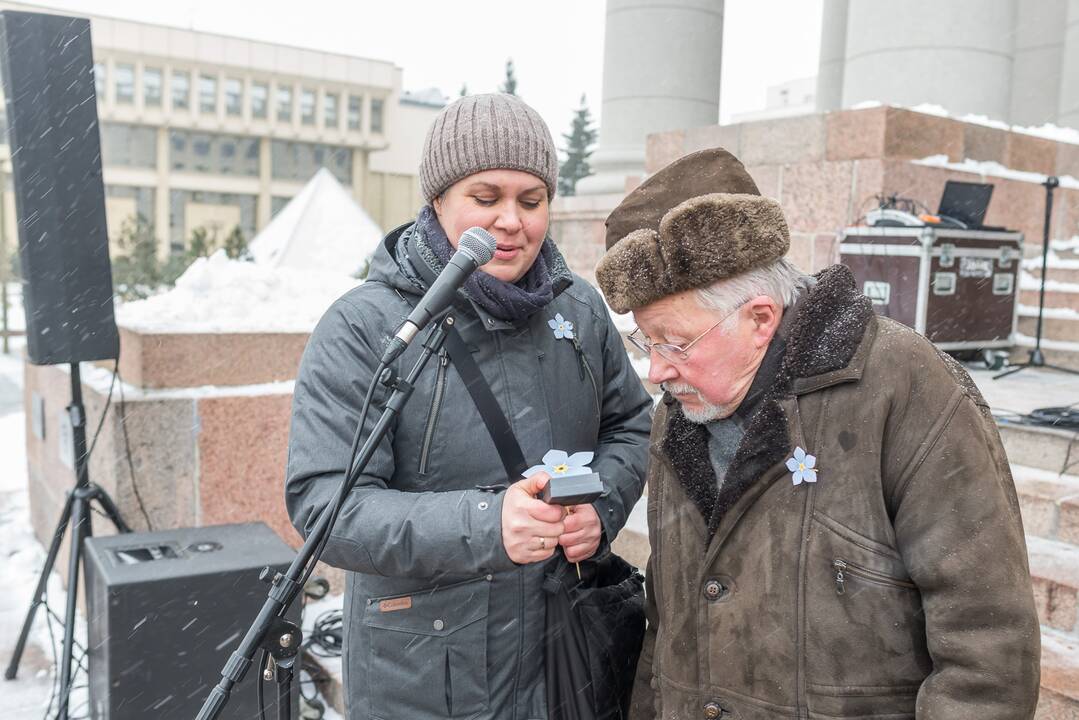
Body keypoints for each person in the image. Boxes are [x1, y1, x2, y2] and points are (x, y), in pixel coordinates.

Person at [595, 147, 1041, 719]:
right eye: (646, 341)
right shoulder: (678, 415)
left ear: (760, 318)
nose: (656, 370)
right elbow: (669, 622)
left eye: (674, 343)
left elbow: (987, 645)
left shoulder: (904, 386)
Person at [285, 93, 652, 720]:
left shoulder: (581, 311)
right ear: (437, 200)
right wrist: (486, 524)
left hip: (567, 658)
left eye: (531, 201)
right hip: (428, 678)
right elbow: (326, 505)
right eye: (486, 198)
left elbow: (631, 425)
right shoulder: (365, 327)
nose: (511, 221)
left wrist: (602, 505)